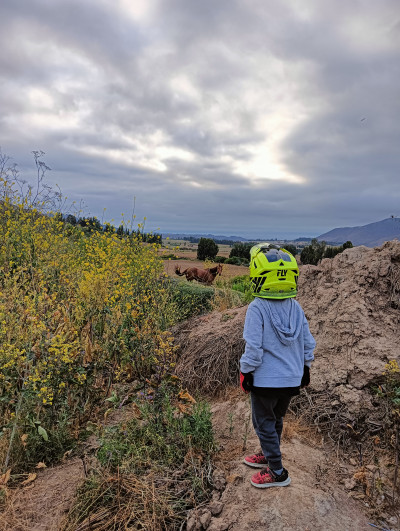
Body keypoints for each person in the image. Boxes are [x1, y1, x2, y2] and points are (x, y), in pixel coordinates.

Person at [239, 243, 316, 488]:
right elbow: (307, 342)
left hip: (266, 380)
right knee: (276, 420)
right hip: (291, 379)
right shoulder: (296, 306)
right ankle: (268, 452)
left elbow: (253, 348)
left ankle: (277, 472)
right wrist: (305, 368)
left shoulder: (257, 307)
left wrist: (245, 371)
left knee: (262, 422)